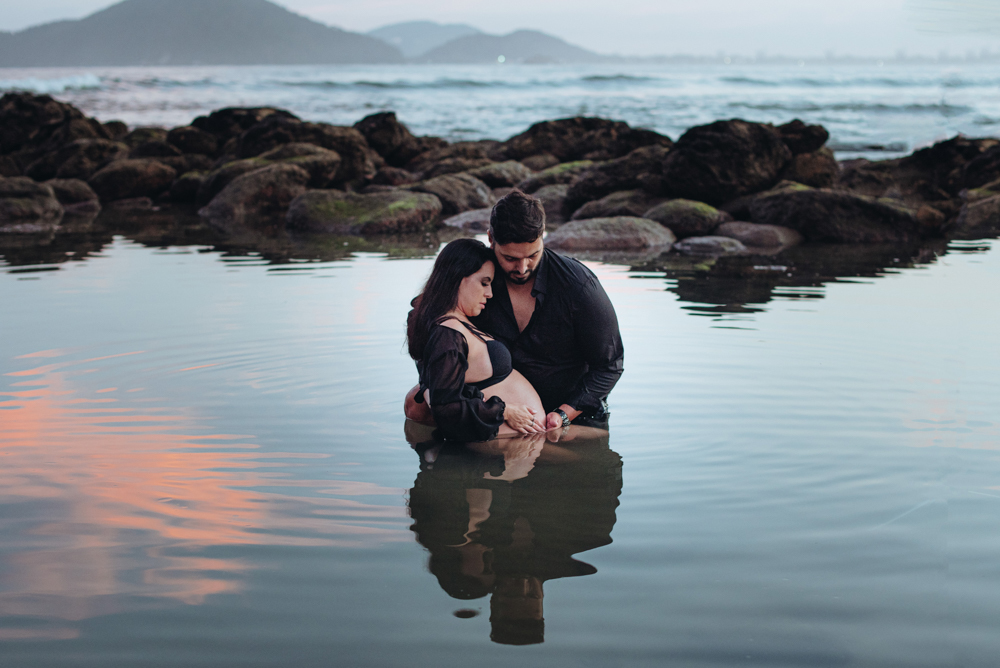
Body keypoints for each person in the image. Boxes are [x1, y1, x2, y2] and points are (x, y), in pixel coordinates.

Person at [406, 190, 623, 431]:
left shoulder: (578, 286)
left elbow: (609, 364)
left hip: (571, 417)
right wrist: (433, 382)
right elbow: (425, 317)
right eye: (509, 258)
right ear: (490, 238)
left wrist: (562, 415)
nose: (522, 268)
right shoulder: (478, 277)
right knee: (416, 402)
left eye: (532, 255)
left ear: (543, 236)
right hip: (498, 415)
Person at [407, 238, 548, 441]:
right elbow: (446, 408)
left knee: (585, 441)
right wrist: (505, 411)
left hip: (522, 441)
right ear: (456, 277)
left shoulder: (455, 322)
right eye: (483, 283)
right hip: (508, 449)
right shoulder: (447, 334)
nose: (489, 293)